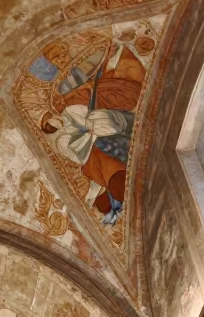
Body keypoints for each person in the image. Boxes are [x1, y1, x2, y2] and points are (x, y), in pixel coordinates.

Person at [40, 41, 145, 226]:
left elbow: (98, 80)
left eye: (60, 53)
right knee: (100, 156)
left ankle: (117, 197)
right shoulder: (63, 90)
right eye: (55, 58)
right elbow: (73, 139)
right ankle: (117, 199)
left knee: (103, 144)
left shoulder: (80, 71)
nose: (61, 58)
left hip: (105, 114)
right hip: (97, 131)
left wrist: (107, 59)